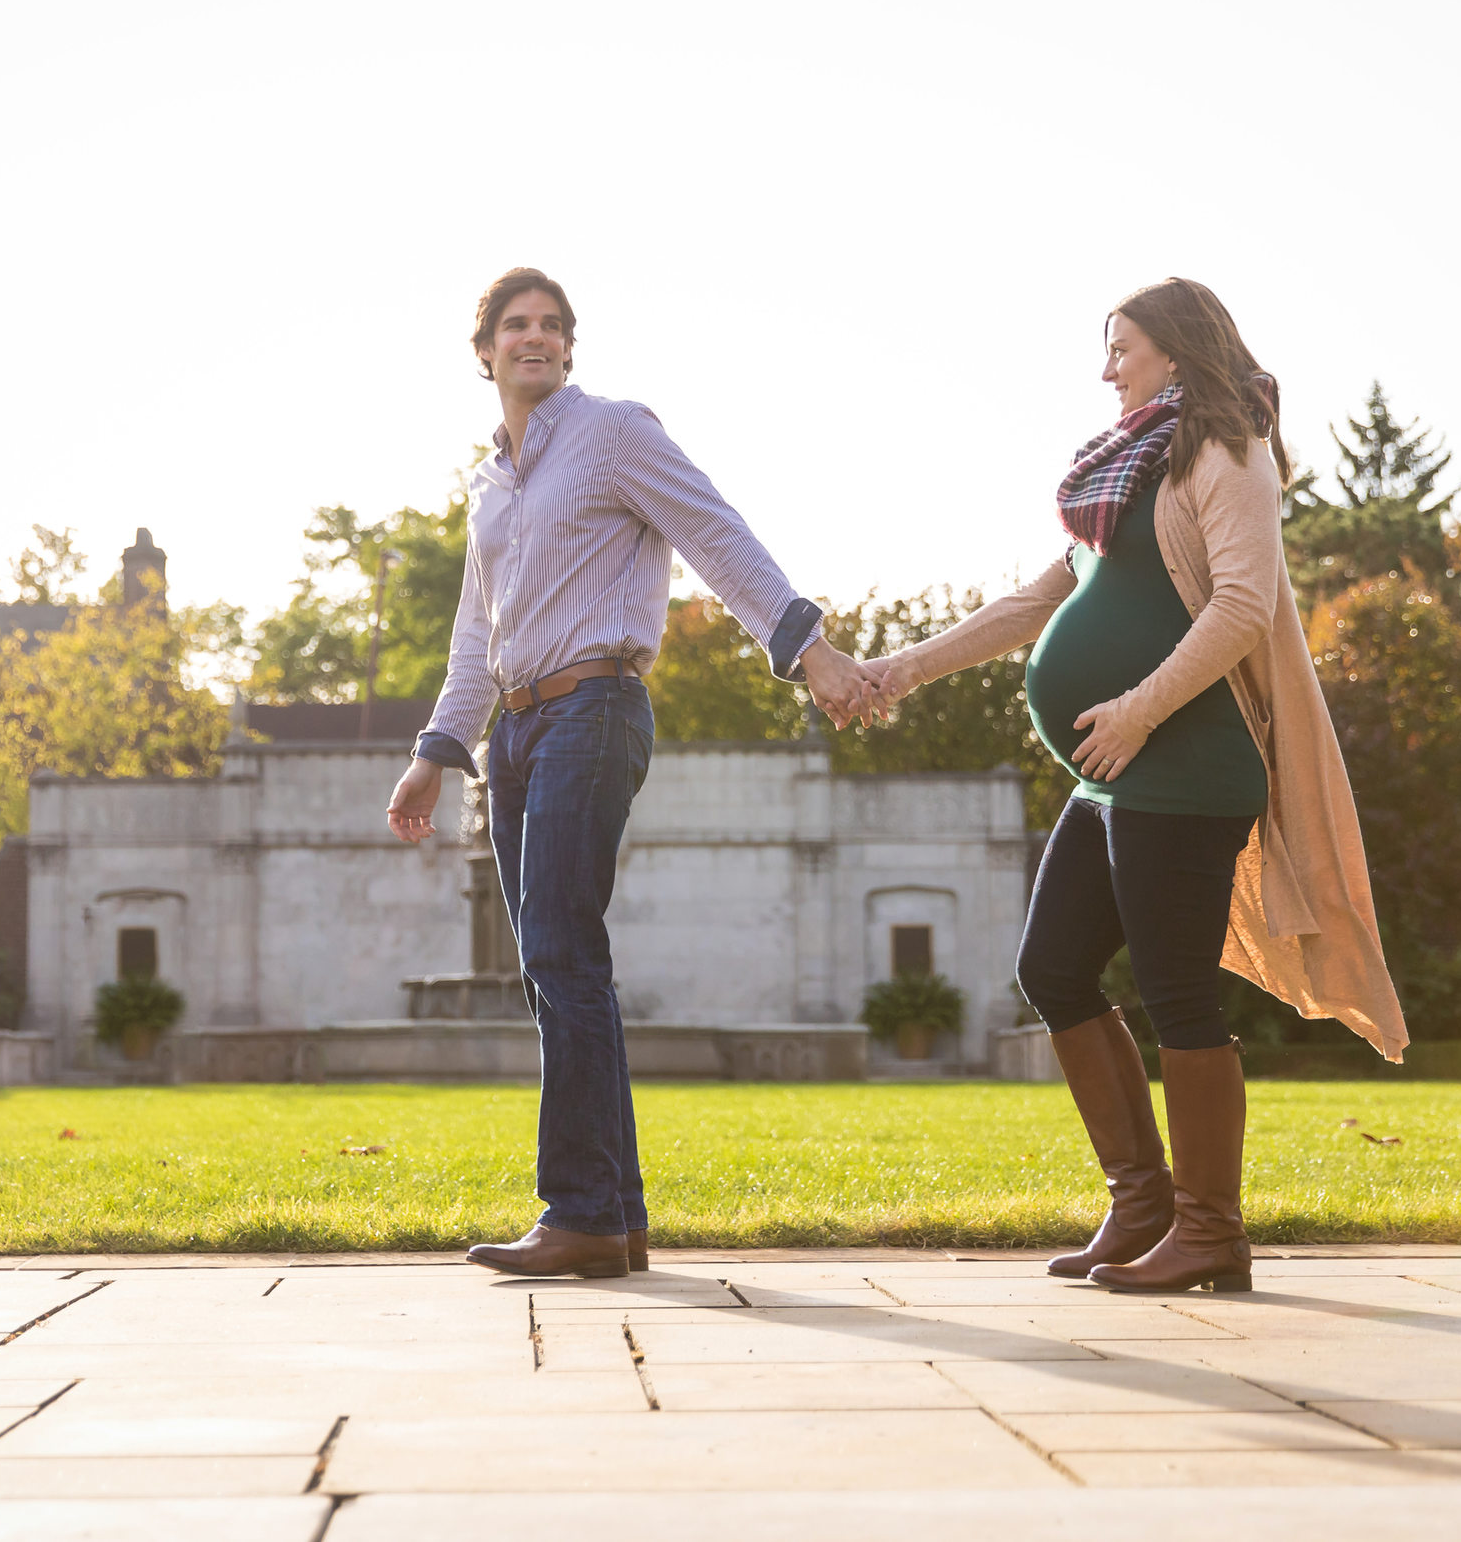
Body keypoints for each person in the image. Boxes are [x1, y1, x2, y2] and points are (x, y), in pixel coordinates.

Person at [863, 278, 1405, 1294]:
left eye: (1120, 347)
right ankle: (1143, 1202)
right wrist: (898, 671)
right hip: (1116, 771)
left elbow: (1243, 603)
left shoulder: (1224, 448)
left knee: (1176, 995)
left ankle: (1211, 1231)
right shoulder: (1127, 468)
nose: (1106, 369)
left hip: (1185, 760)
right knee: (1054, 969)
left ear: (1173, 350)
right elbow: (1037, 600)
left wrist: (1139, 709)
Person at [387, 266, 879, 1280]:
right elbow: (476, 637)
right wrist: (436, 752)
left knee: (565, 959)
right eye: (515, 325)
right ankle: (610, 1218)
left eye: (552, 326)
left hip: (595, 706)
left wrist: (807, 651)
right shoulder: (490, 485)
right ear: (482, 352)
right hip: (513, 736)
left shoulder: (613, 433)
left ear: (569, 347)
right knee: (554, 970)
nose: (535, 337)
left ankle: (579, 1211)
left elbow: (715, 532)